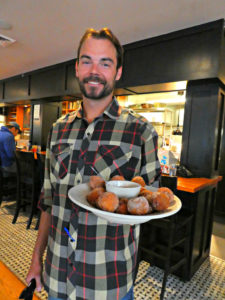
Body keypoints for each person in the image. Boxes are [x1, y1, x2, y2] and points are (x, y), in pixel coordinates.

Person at [26, 28, 161, 300]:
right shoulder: (58, 130)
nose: (94, 70)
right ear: (76, 68)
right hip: (58, 276)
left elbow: (150, 204)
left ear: (118, 72)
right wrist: (36, 259)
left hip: (107, 282)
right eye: (87, 61)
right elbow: (49, 201)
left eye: (105, 63)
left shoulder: (141, 132)